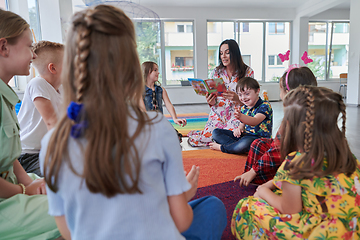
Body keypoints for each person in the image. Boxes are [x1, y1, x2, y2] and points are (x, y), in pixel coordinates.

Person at [39, 5, 226, 240]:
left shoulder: (51, 144)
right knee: (212, 206)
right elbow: (181, 220)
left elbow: (68, 232)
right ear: (131, 68)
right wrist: (183, 194)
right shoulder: (156, 128)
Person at [231, 85, 360, 239]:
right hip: (353, 228)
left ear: (291, 127)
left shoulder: (294, 162)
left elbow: (290, 209)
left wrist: (263, 191)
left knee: (246, 207)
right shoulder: (348, 156)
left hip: (321, 233)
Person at [0, 9, 60, 240]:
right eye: (29, 47)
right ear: (4, 47)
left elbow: (8, 156)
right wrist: (25, 190)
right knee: (80, 209)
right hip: (6, 199)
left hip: (13, 184)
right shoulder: (37, 86)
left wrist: (28, 184)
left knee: (79, 191)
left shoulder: (6, 96)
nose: (34, 56)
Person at [234, 66, 317, 186]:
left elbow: (278, 151)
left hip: (297, 167)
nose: (280, 95)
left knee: (258, 146)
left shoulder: (293, 119)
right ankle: (249, 178)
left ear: (288, 93)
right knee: (259, 144)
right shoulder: (310, 111)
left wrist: (253, 171)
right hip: (294, 158)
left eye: (280, 91)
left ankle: (253, 180)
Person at [188, 39, 254, 147]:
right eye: (221, 53)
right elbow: (213, 101)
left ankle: (226, 144)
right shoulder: (216, 72)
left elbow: (252, 100)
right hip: (217, 114)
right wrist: (211, 101)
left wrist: (238, 99)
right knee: (204, 139)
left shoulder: (247, 72)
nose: (223, 56)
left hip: (237, 115)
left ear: (235, 53)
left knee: (233, 135)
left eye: (227, 52)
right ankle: (227, 144)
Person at [18, 40, 64, 177]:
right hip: (28, 155)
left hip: (46, 150)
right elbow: (52, 122)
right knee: (62, 176)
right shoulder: (37, 84)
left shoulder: (62, 88)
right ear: (53, 68)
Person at [209, 77, 272, 155]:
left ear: (257, 91)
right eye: (240, 95)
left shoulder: (265, 105)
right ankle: (237, 147)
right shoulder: (244, 107)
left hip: (259, 140)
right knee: (216, 132)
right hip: (245, 137)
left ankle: (224, 148)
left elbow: (254, 121)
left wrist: (240, 116)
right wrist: (239, 129)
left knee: (245, 142)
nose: (243, 98)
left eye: (247, 94)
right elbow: (242, 125)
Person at [141, 61, 186, 142]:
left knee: (176, 138)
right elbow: (142, 110)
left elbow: (168, 105)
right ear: (147, 72)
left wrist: (175, 118)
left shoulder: (161, 90)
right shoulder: (140, 91)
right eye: (155, 70)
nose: (158, 73)